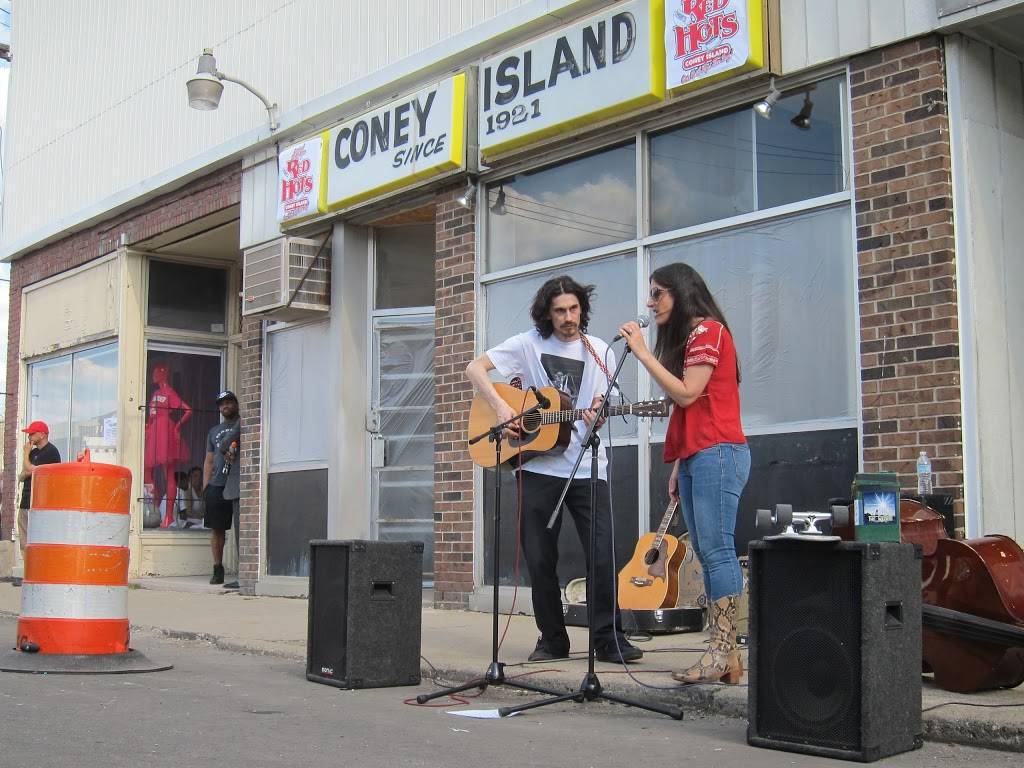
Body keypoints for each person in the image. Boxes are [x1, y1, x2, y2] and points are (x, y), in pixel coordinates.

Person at [466, 275, 643, 664]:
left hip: (587, 466)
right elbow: (475, 369)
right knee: (540, 557)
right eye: (560, 311)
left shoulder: (600, 350)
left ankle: (609, 639)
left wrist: (600, 410)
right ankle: (552, 639)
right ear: (547, 313)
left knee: (602, 553)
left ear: (583, 309)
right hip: (537, 466)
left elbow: (607, 397)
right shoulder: (527, 344)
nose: (568, 317)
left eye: (574, 309)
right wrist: (502, 408)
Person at [616, 263, 749, 684]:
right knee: (707, 552)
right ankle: (726, 656)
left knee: (718, 551)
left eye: (658, 293)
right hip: (698, 455)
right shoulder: (692, 338)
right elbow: (692, 408)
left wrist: (642, 353)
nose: (650, 302)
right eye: (651, 293)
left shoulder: (708, 330)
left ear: (682, 292)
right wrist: (679, 463)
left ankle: (722, 650)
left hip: (718, 452)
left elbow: (688, 394)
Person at [144, 362, 192, 528]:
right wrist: (147, 429)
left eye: (156, 372)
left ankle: (168, 515)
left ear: (163, 374)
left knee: (169, 474)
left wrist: (177, 427)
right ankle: (155, 507)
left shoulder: (169, 393)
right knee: (147, 470)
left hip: (165, 432)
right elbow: (151, 416)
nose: (154, 375)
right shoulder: (155, 393)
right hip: (155, 432)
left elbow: (188, 410)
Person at [203, 390, 241, 587]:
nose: (225, 405)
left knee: (242, 528)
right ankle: (218, 569)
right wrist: (206, 486)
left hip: (238, 482)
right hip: (217, 484)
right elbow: (209, 460)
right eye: (221, 403)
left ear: (236, 404)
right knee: (217, 529)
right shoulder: (213, 431)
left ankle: (245, 571)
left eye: (228, 402)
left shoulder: (243, 424)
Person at [17, 420, 62, 568]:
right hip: (25, 501)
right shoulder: (34, 452)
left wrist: (26, 454)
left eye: (32, 433)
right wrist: (28, 469)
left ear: (42, 434)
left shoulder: (50, 451)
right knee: (24, 540)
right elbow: (22, 475)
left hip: (40, 503)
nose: (29, 436)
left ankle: (39, 570)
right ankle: (28, 569)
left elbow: (30, 470)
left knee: (38, 539)